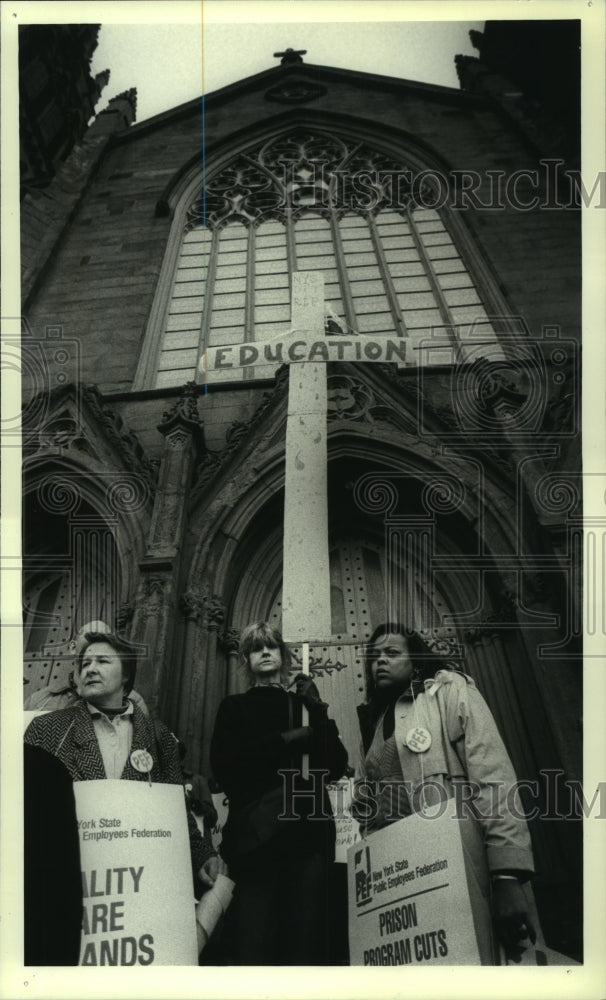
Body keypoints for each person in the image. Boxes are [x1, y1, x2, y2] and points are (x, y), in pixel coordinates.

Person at [354, 623, 537, 964]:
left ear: (416, 660)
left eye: (392, 653)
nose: (380, 661)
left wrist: (507, 875)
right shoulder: (378, 723)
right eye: (374, 656)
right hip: (401, 880)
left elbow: (492, 775)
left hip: (461, 870)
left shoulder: (447, 691)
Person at [24, 631, 225, 906]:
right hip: (67, 882)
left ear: (127, 675)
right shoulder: (46, 729)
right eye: (85, 664)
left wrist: (203, 854)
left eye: (103, 661)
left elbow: (176, 809)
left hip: (137, 884)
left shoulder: (159, 737)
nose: (90, 669)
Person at [210, 620, 349, 965]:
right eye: (257, 648)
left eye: (272, 646)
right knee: (254, 944)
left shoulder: (303, 707)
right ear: (246, 659)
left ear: (284, 656)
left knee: (306, 945)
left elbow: (334, 765)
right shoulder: (234, 707)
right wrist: (284, 742)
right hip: (258, 839)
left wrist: (318, 711)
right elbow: (226, 766)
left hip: (307, 836)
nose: (266, 652)